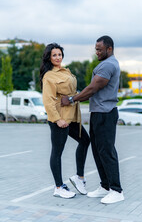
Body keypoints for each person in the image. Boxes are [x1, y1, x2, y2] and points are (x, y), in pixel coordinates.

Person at [61, 35, 124, 204]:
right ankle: (105, 186)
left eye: (99, 49)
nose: (96, 52)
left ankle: (116, 190)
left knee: (107, 151)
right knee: (97, 151)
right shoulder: (105, 64)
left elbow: (92, 88)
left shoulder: (109, 65)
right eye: (96, 49)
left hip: (106, 114)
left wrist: (72, 99)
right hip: (98, 113)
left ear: (109, 49)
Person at [40, 43, 90, 199]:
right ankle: (58, 187)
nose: (57, 57)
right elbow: (48, 101)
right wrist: (57, 119)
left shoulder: (65, 71)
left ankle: (79, 177)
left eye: (59, 54)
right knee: (57, 152)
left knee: (85, 141)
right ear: (49, 57)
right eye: (54, 55)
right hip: (60, 119)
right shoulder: (49, 76)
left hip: (72, 116)